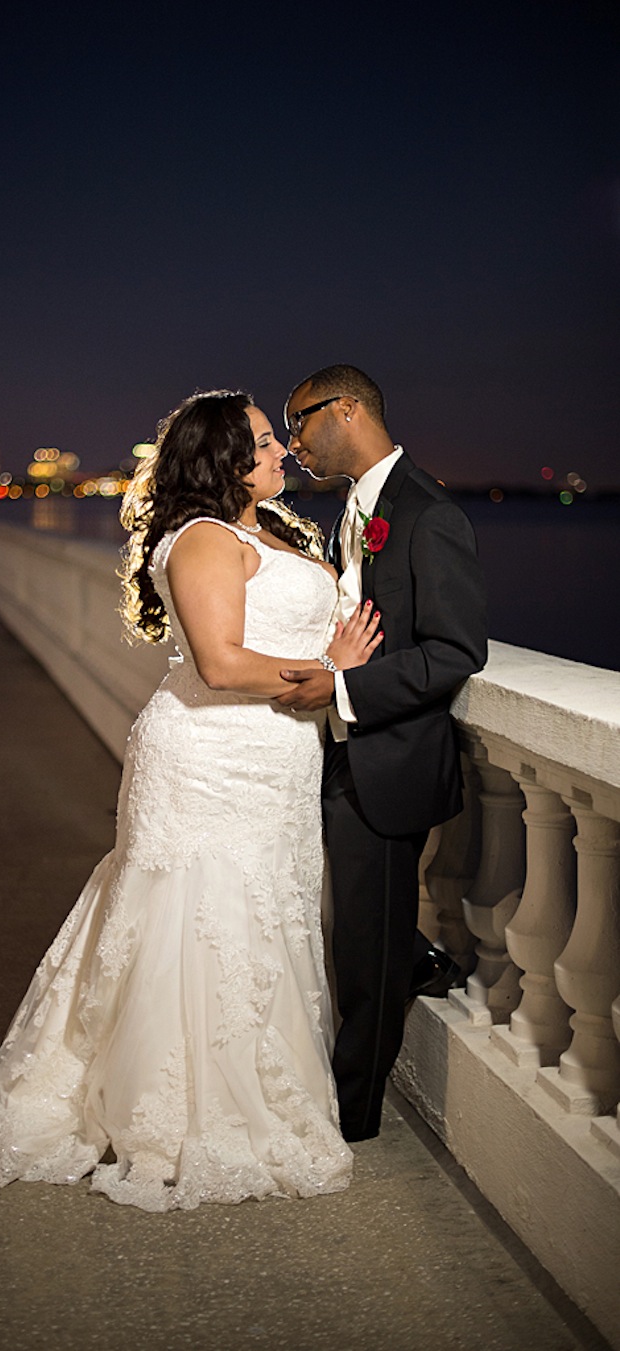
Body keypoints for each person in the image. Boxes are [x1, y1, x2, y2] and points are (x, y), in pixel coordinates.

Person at [0, 390, 382, 1211]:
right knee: (200, 919)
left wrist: (327, 662)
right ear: (223, 459)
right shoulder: (202, 540)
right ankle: (183, 1115)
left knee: (266, 917)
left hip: (274, 759)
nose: (279, 453)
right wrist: (329, 676)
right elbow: (221, 666)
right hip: (208, 758)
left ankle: (254, 1086)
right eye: (262, 442)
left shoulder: (272, 530)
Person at [277, 364, 487, 1143]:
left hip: (389, 761)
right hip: (341, 754)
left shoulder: (428, 515)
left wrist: (342, 692)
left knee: (362, 953)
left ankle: (351, 1120)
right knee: (357, 933)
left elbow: (457, 650)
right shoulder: (352, 515)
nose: (294, 440)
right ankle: (418, 957)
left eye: (299, 421)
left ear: (348, 409)